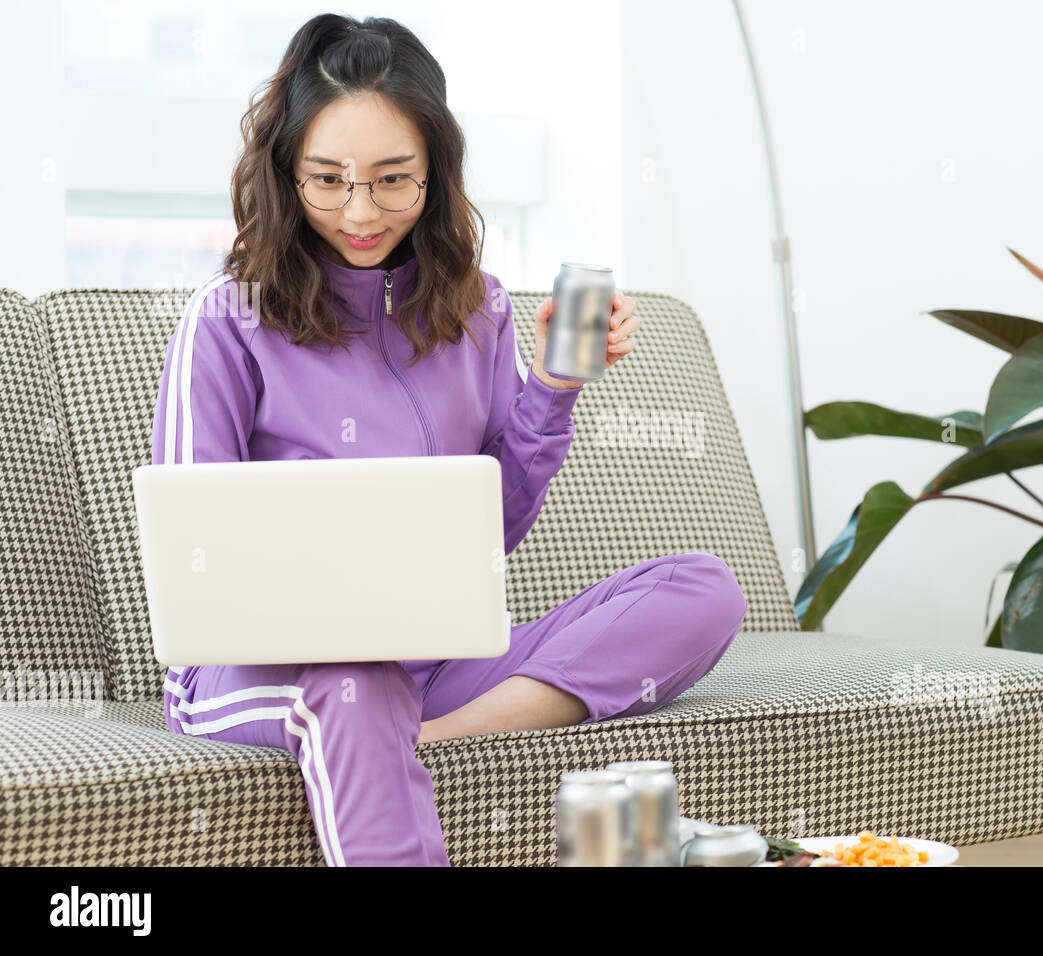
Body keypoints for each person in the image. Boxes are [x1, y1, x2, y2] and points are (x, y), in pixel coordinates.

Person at [152, 13, 748, 867]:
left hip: (436, 666)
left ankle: (430, 734)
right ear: (288, 174)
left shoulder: (480, 311)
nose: (360, 210)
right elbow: (195, 564)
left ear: (436, 173)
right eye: (327, 179)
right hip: (252, 677)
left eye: (394, 179)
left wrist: (553, 388)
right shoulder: (227, 322)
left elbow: (490, 532)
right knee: (357, 685)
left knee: (703, 589)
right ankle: (378, 725)